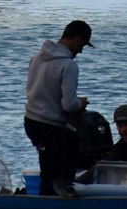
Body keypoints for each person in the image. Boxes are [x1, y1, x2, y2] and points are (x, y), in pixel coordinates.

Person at [24, 19, 94, 196]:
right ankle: (59, 207)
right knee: (59, 176)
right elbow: (68, 104)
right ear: (77, 40)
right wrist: (81, 103)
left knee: (48, 170)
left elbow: (41, 89)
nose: (81, 50)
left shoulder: (37, 58)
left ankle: (44, 205)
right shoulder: (69, 66)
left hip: (31, 123)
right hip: (50, 128)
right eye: (83, 46)